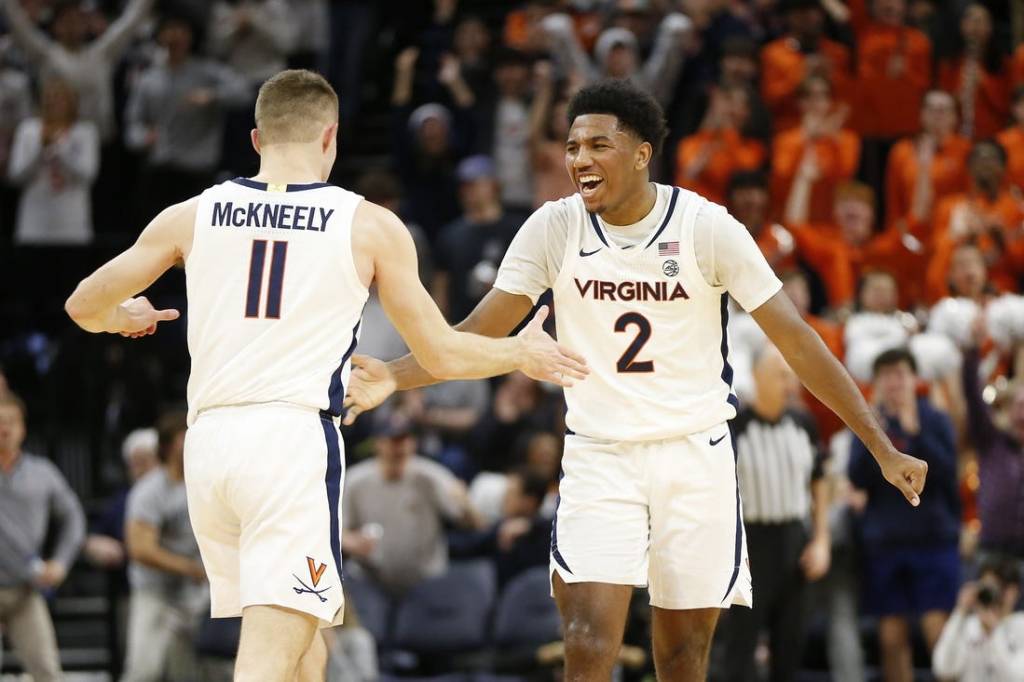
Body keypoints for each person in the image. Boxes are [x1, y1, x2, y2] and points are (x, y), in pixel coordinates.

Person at [344, 78, 928, 679]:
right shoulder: (554, 227)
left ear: (642, 153)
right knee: (588, 642)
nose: (579, 160)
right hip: (601, 454)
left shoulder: (706, 226)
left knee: (680, 657)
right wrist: (392, 375)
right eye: (572, 147)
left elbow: (798, 342)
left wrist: (879, 445)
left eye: (598, 145)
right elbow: (473, 331)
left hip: (694, 454)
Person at [64, 69, 586, 682]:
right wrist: (518, 355)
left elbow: (81, 305)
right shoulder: (367, 224)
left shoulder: (193, 215)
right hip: (288, 443)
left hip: (206, 445)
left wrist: (122, 318)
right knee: (270, 650)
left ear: (257, 140)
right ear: (332, 138)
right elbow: (443, 354)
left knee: (305, 638)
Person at [718, 345, 831, 682]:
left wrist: (822, 540)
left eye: (790, 376)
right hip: (750, 545)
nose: (789, 384)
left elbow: (819, 482)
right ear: (756, 376)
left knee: (790, 649)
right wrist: (731, 550)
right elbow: (720, 492)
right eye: (780, 375)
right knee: (739, 652)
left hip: (795, 543)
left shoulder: (804, 423)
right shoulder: (734, 427)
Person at [848, 349, 960, 682]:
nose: (893, 382)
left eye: (899, 373)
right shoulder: (870, 424)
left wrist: (916, 431)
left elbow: (948, 472)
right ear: (877, 383)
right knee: (891, 640)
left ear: (914, 379)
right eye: (885, 375)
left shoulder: (935, 419)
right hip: (886, 542)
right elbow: (856, 476)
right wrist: (877, 441)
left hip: (933, 539)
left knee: (939, 637)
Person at [124, 15, 251, 222]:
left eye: (181, 31)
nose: (175, 37)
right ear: (160, 37)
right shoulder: (149, 78)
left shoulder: (206, 71)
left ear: (191, 37)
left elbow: (244, 91)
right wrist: (142, 138)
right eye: (169, 30)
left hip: (198, 171)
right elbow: (133, 123)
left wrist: (212, 96)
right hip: (160, 169)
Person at [342, 411, 482, 596]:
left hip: (425, 582)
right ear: (378, 443)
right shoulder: (356, 480)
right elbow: (335, 532)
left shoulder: (431, 476)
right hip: (369, 580)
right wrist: (352, 542)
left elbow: (473, 524)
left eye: (404, 439)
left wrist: (466, 505)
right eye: (392, 440)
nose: (399, 447)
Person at [0, 392, 86, 682]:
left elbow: (73, 518)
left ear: (23, 427)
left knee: (47, 672)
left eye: (11, 421)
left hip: (25, 588)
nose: (5, 429)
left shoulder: (43, 473)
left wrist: (60, 562)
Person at [122, 411, 206, 682]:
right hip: (155, 591)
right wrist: (189, 568)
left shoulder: (206, 482)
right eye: (185, 438)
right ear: (168, 446)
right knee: (143, 671)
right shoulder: (150, 490)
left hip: (198, 593)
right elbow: (140, 548)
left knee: (196, 672)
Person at [0, 0, 154, 142]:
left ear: (85, 25)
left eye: (78, 20)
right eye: (67, 21)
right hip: (58, 139)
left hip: (101, 141)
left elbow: (131, 21)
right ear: (56, 26)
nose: (72, 25)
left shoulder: (103, 53)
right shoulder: (46, 55)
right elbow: (18, 25)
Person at [8, 78, 99, 246]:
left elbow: (88, 175)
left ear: (72, 102)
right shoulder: (28, 130)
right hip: (34, 226)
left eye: (61, 98)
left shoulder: (85, 132)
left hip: (73, 227)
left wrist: (60, 150)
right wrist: (40, 149)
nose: (55, 103)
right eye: (50, 98)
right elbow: (15, 176)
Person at [932, 557, 1024, 680]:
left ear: (1012, 592)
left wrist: (995, 632)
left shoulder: (1020, 625)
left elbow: (1017, 678)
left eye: (996, 588)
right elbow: (943, 668)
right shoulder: (969, 625)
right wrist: (959, 613)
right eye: (986, 588)